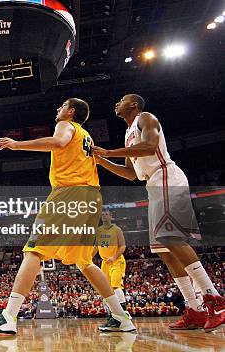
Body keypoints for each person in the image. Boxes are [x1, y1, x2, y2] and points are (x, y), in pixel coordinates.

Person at [0, 99, 136, 334]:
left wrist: (17, 144)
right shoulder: (87, 137)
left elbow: (57, 142)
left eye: (62, 106)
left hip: (69, 194)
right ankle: (120, 316)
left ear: (71, 112)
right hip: (91, 198)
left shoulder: (66, 125)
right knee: (85, 262)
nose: (58, 109)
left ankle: (8, 316)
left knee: (34, 250)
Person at [93, 94, 224, 332]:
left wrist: (109, 152)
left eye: (121, 100)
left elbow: (151, 146)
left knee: (171, 238)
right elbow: (130, 174)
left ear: (133, 104)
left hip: (166, 177)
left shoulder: (145, 118)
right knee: (164, 250)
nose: (116, 103)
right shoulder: (127, 133)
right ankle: (194, 309)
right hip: (151, 185)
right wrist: (102, 161)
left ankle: (214, 299)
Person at [95, 210, 128, 329]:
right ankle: (112, 316)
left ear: (111, 216)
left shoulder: (117, 230)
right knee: (106, 290)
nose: (104, 216)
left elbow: (123, 246)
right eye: (102, 214)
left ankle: (124, 313)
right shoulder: (98, 231)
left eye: (106, 214)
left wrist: (114, 257)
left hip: (116, 261)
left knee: (115, 287)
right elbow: (96, 246)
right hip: (105, 263)